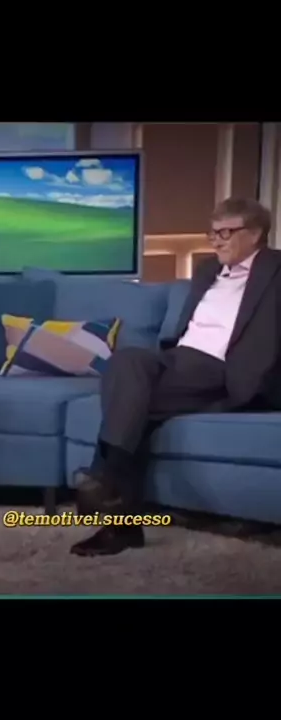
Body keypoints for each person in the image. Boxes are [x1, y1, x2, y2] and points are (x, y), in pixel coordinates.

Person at [71, 196, 281, 557]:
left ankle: (112, 501)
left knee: (130, 398)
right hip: (179, 360)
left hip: (224, 368)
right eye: (212, 233)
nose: (216, 241)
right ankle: (112, 489)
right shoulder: (207, 270)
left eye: (226, 232)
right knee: (127, 368)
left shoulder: (276, 270)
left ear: (255, 233)